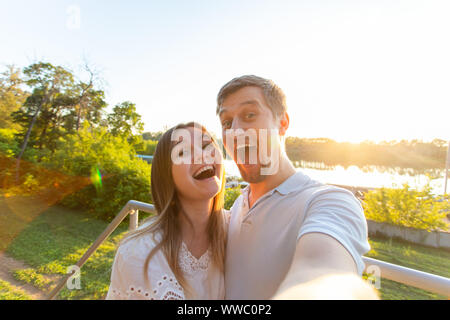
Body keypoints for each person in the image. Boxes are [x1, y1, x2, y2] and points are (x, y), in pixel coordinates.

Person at [216, 75, 379, 299]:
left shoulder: (329, 202)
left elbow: (322, 273)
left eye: (250, 115)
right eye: (227, 123)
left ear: (282, 123)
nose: (235, 131)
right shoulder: (237, 206)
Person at [106, 122, 228, 300]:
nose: (202, 155)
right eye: (183, 152)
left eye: (206, 145)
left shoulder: (240, 228)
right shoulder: (139, 253)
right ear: (166, 175)